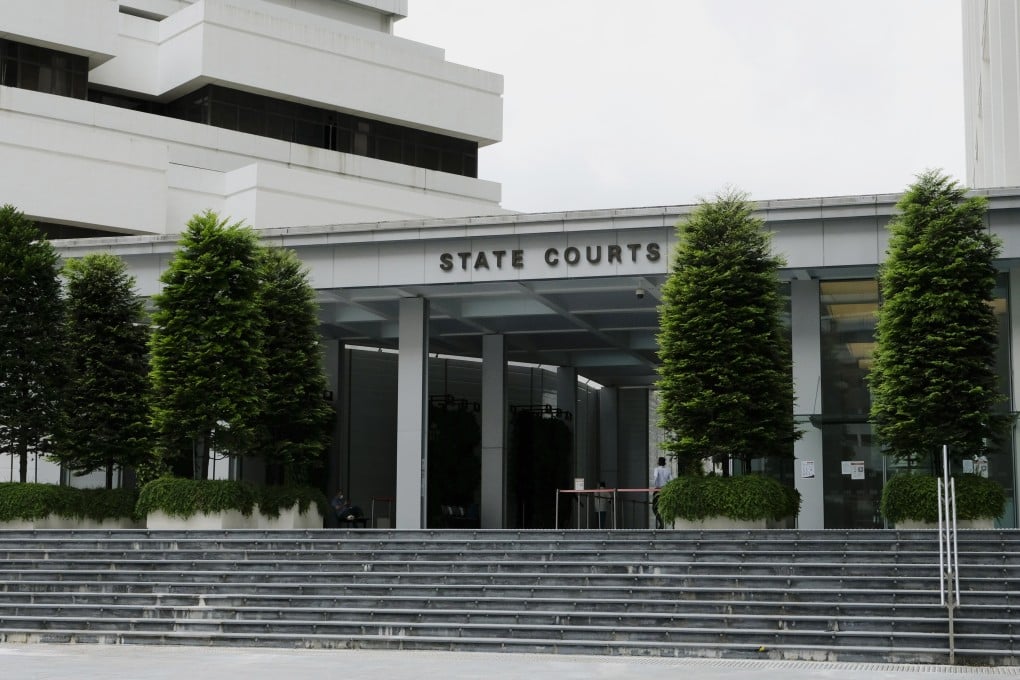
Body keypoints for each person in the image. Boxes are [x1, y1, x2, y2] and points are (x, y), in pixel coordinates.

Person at [651, 457, 673, 530]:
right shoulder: (668, 470)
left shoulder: (656, 469)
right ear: (665, 463)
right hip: (666, 490)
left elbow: (656, 478)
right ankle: (669, 525)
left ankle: (661, 523)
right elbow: (671, 480)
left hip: (658, 490)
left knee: (654, 508)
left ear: (658, 463)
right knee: (665, 507)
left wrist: (656, 486)